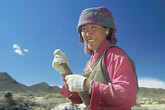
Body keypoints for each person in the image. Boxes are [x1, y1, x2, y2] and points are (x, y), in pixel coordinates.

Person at [52, 6, 138, 110]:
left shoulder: (114, 54)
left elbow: (127, 96)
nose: (88, 33)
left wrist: (88, 85)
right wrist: (64, 72)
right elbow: (79, 97)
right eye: (84, 29)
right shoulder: (90, 63)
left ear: (107, 30)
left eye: (94, 27)